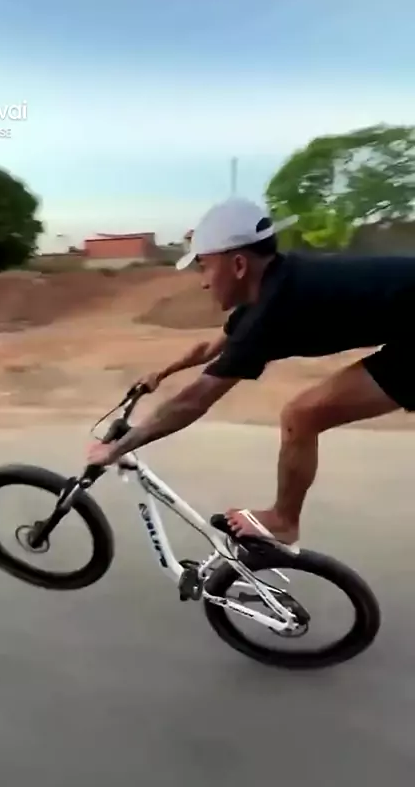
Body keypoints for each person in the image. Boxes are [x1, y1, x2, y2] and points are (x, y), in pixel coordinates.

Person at [87, 196, 415, 552]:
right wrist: (161, 373)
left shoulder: (272, 310)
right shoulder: (274, 285)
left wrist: (117, 448)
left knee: (301, 416)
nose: (203, 282)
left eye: (204, 267)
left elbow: (194, 401)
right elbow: (211, 347)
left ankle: (283, 522)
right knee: (302, 415)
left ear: (239, 265)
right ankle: (284, 520)